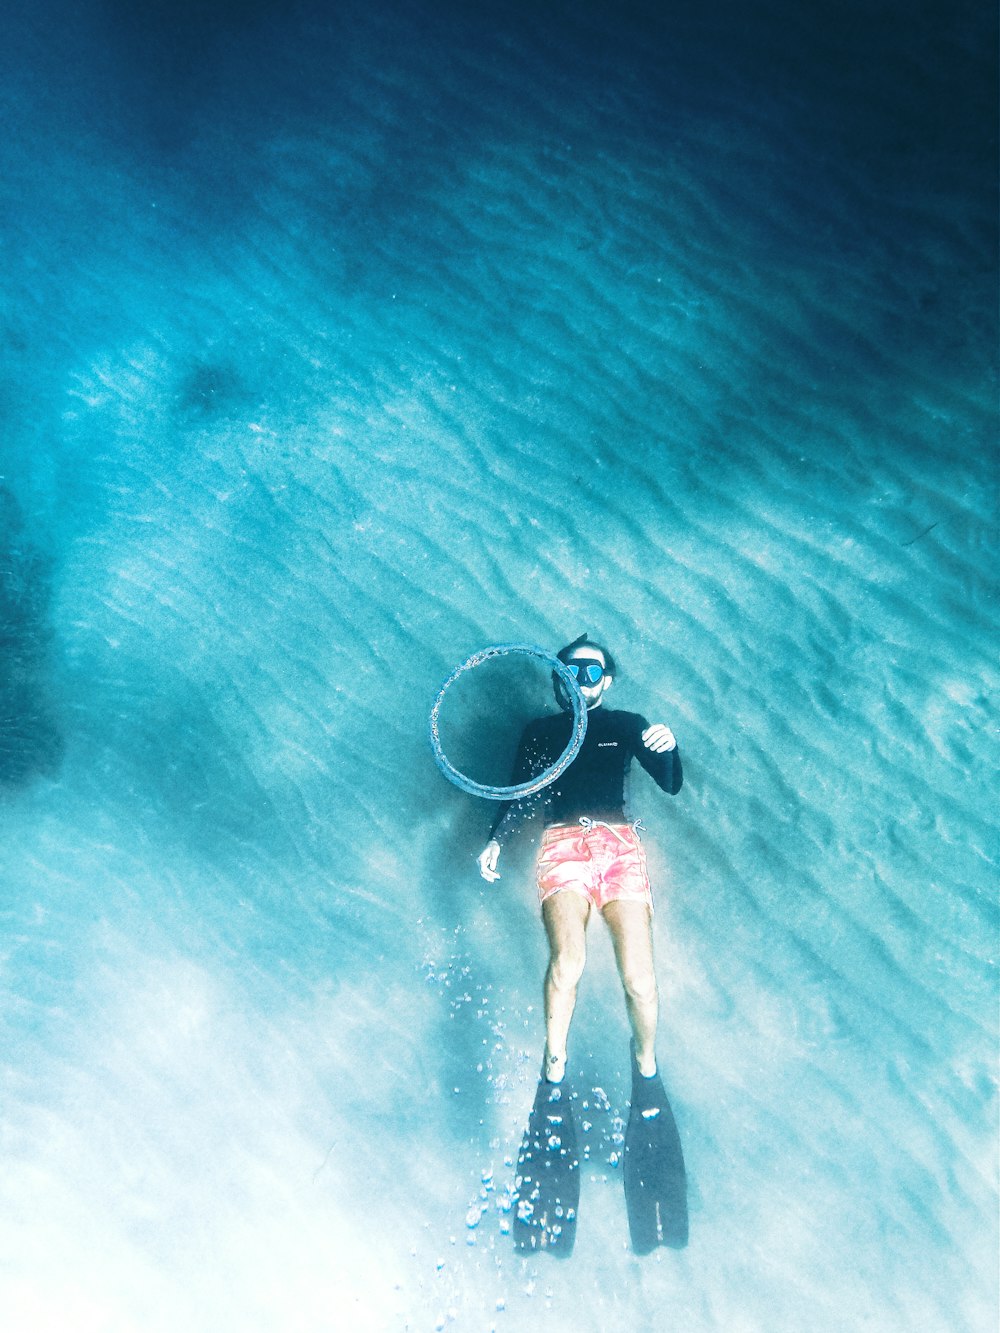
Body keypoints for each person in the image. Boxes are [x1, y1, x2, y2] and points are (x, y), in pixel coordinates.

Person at [477, 634, 682, 1085]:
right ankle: (554, 1064)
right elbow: (519, 792)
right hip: (562, 846)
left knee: (640, 980)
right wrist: (496, 840)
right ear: (557, 680)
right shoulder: (540, 732)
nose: (579, 681)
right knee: (568, 962)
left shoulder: (628, 725)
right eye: (569, 672)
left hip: (621, 847)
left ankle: (645, 1062)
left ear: (605, 683)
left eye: (590, 673)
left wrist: (669, 749)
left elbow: (670, 784)